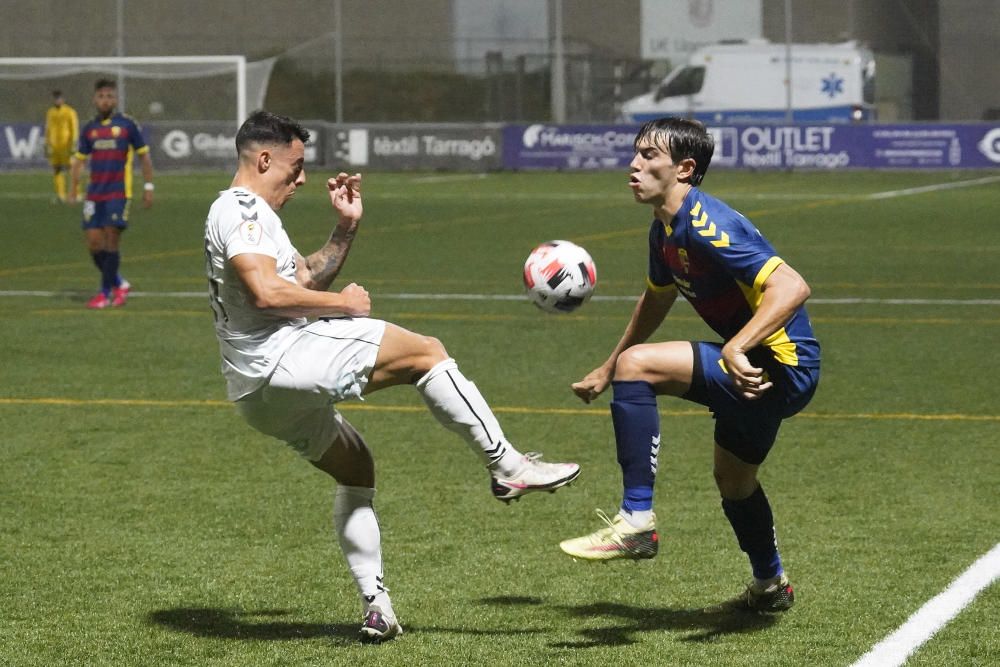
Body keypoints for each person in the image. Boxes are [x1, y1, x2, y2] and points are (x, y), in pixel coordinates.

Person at [204, 110, 580, 643]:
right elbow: (268, 293)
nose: (303, 178)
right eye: (296, 166)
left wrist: (345, 228)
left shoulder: (253, 216)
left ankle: (377, 607)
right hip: (281, 359)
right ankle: (508, 465)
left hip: (255, 394)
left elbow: (301, 276)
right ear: (264, 159)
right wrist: (343, 303)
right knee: (426, 353)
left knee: (356, 468)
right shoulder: (239, 209)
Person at [558, 117, 820, 613]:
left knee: (641, 366)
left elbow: (792, 287)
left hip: (781, 365)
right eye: (635, 153)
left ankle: (636, 520)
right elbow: (656, 300)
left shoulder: (708, 224)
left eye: (648, 156)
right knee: (735, 483)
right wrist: (607, 366)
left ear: (685, 169)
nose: (634, 164)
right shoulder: (664, 232)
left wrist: (735, 347)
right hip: (756, 368)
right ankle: (771, 586)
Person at [68, 78, 154, 309]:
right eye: (101, 96)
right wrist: (73, 188)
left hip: (118, 192)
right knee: (94, 244)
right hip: (94, 194)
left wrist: (148, 186)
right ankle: (119, 283)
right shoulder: (90, 129)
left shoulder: (126, 125)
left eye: (109, 96)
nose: (105, 100)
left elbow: (143, 155)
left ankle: (105, 293)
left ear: (115, 99)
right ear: (95, 99)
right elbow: (79, 161)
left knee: (111, 239)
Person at [44, 89, 79, 203]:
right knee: (57, 169)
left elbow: (74, 128)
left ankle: (76, 193)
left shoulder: (69, 111)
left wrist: (74, 142)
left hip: (66, 145)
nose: (57, 100)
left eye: (59, 98)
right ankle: (60, 195)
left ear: (62, 99)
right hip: (55, 146)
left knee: (71, 169)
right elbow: (48, 129)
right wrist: (47, 143)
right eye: (55, 98)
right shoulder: (50, 112)